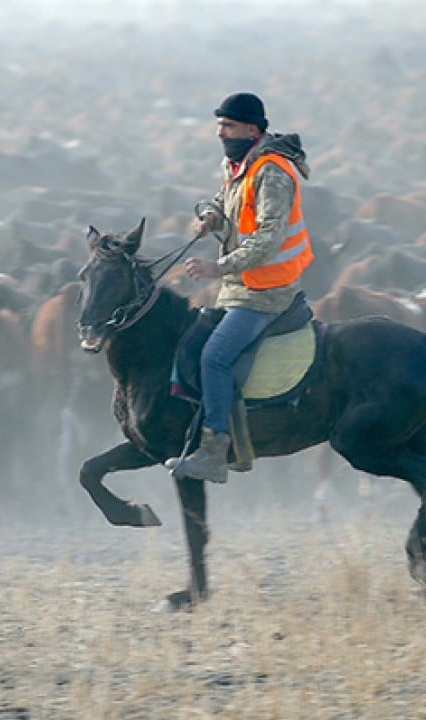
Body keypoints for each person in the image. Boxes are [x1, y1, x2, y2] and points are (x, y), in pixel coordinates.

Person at [168, 92, 312, 485]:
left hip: (268, 290)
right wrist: (211, 216)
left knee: (215, 357)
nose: (220, 134)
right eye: (218, 126)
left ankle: (215, 453)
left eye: (227, 126)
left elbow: (268, 238)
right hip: (240, 286)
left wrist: (218, 267)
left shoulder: (273, 173)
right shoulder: (237, 165)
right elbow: (225, 199)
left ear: (252, 129)